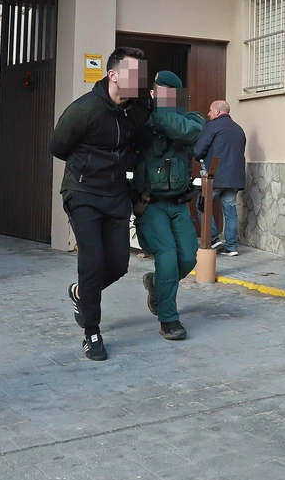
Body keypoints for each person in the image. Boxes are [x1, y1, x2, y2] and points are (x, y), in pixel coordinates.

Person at [49, 46, 151, 361]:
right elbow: (58, 147)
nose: (139, 80)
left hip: (116, 195)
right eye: (133, 74)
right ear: (113, 75)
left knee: (119, 264)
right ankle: (91, 331)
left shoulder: (137, 109)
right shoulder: (84, 110)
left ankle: (81, 293)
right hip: (83, 194)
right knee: (92, 262)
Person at [131, 71, 206, 341]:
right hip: (150, 204)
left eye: (166, 95)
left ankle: (154, 284)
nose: (158, 98)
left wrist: (159, 109)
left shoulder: (191, 119)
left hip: (177, 204)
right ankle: (169, 319)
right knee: (166, 255)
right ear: (151, 93)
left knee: (187, 257)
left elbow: (188, 131)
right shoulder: (142, 121)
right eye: (156, 93)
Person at [193, 99, 246, 256]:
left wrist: (198, 157)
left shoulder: (212, 126)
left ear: (217, 111)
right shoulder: (239, 129)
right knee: (230, 211)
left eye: (210, 110)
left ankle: (213, 238)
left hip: (215, 177)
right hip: (234, 179)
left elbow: (199, 151)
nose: (208, 113)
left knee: (202, 205)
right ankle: (231, 246)